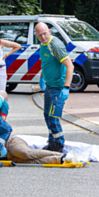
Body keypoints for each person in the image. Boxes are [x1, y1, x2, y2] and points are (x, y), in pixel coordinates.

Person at [35, 22, 73, 152]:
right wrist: (42, 77)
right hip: (49, 85)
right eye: (40, 35)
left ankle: (59, 145)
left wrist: (66, 87)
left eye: (45, 34)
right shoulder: (43, 44)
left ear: (49, 32)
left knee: (53, 118)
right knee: (47, 116)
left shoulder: (55, 45)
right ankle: (52, 142)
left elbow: (70, 66)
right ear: (37, 36)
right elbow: (46, 63)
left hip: (58, 87)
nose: (43, 37)